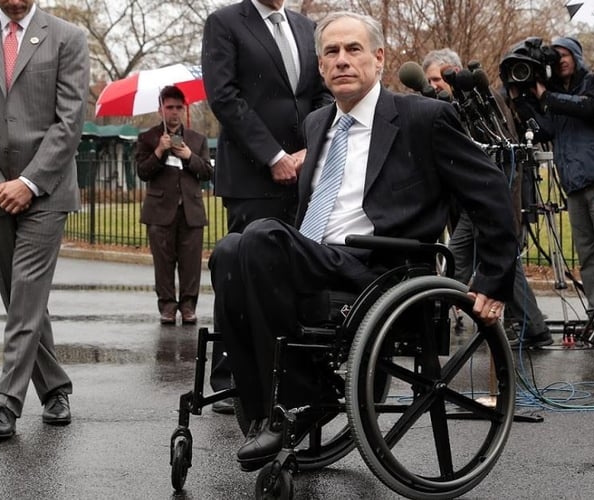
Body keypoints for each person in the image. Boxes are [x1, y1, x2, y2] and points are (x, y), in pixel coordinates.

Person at [208, 10, 520, 471]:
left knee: (258, 238)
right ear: (320, 68)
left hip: (381, 267)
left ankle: (296, 400)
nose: (342, 60)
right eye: (331, 52)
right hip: (319, 257)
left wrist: (492, 280)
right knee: (229, 250)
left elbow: (491, 193)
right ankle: (265, 412)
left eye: (353, 50)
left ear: (378, 58)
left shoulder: (424, 117)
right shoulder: (317, 124)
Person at [0, 0, 89, 440]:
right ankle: (55, 388)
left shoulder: (68, 37)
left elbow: (70, 121)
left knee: (26, 289)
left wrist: (28, 182)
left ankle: (6, 402)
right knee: (20, 299)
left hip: (46, 189)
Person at [201, 0, 332, 410]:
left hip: (305, 170)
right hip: (252, 174)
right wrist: (273, 156)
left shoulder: (306, 26)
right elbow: (224, 97)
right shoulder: (224, 23)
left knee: (293, 272)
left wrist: (309, 150)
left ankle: (286, 370)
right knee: (241, 269)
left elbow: (321, 93)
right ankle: (230, 375)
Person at [422, 47, 551, 348]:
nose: (434, 85)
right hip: (469, 201)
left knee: (459, 258)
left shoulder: (481, 103)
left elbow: (503, 153)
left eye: (439, 78)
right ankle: (533, 327)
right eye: (429, 80)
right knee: (491, 263)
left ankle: (434, 322)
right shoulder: (446, 106)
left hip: (487, 198)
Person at [510, 36, 594, 340]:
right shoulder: (557, 96)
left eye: (566, 54)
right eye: (555, 56)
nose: (560, 60)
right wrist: (523, 100)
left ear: (577, 56)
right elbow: (546, 129)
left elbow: (592, 108)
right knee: (588, 254)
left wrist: (545, 95)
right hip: (574, 184)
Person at [135, 86, 214, 325]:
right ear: (161, 109)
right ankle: (167, 307)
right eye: (169, 107)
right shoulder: (148, 138)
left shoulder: (197, 140)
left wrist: (189, 156)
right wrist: (160, 150)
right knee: (163, 263)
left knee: (191, 264)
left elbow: (208, 172)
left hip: (191, 211)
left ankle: (188, 306)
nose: (174, 112)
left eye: (179, 107)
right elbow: (142, 172)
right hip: (160, 212)